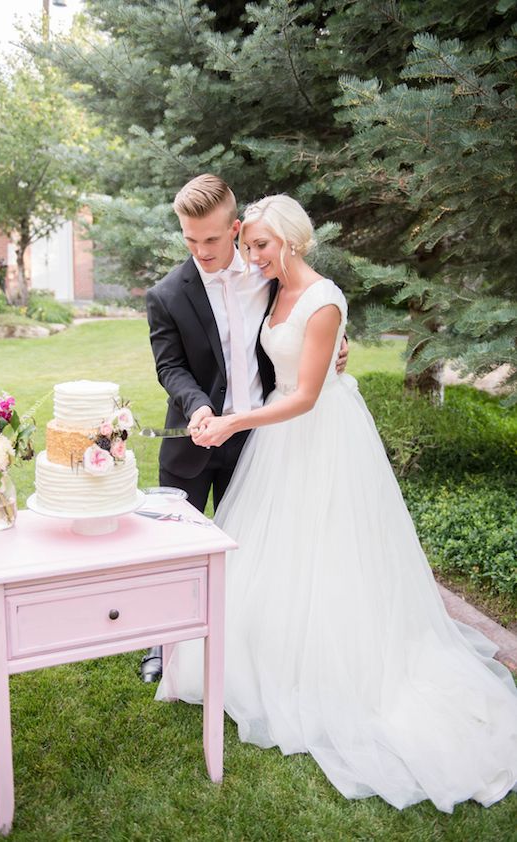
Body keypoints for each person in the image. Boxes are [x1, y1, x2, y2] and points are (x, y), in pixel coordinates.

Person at [156, 194, 517, 812]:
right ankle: (200, 642)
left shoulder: (303, 287)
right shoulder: (231, 286)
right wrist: (220, 409)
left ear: (284, 241)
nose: (242, 254)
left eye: (248, 244)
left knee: (325, 546)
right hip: (258, 437)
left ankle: (328, 660)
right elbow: (199, 363)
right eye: (240, 246)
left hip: (311, 434)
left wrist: (278, 392)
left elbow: (309, 383)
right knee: (263, 549)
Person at [141, 175, 348, 681]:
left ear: (234, 229)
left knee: (251, 548)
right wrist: (196, 409)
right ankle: (160, 642)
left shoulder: (266, 270)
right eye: (190, 240)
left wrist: (339, 343)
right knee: (177, 548)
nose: (201, 250)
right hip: (195, 438)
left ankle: (245, 640)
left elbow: (311, 308)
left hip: (259, 441)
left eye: (211, 239)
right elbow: (170, 368)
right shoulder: (167, 294)